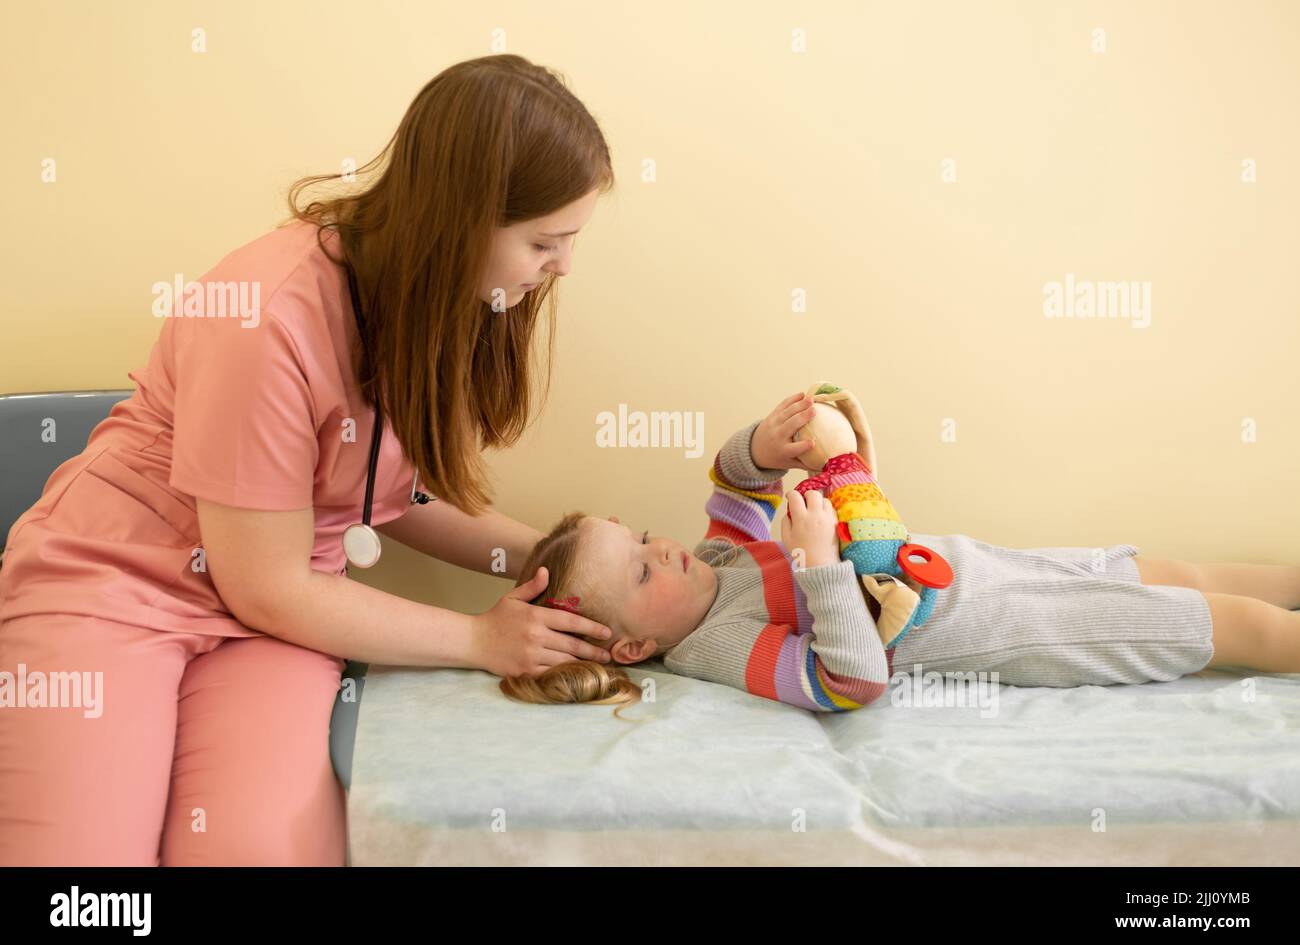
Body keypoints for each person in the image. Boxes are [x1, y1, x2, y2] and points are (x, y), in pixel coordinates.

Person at [0, 54, 617, 866]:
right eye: (546, 241)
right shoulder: (267, 315)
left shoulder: (428, 301)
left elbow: (394, 495)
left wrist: (562, 567)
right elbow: (267, 583)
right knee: (85, 878)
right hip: (123, 583)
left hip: (272, 616)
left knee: (253, 851)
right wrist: (480, 640)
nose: (563, 266)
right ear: (461, 219)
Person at [500, 393, 1300, 714]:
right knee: (1219, 623)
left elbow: (733, 484)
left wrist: (765, 446)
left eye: (642, 537)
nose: (664, 548)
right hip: (1001, 623)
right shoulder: (719, 645)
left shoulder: (724, 562)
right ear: (637, 646)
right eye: (641, 569)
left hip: (989, 565)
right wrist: (817, 568)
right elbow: (848, 682)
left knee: (1177, 571)